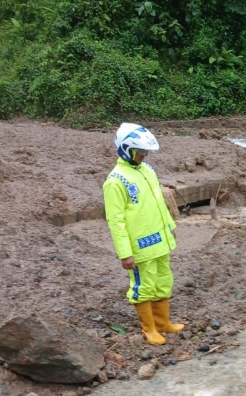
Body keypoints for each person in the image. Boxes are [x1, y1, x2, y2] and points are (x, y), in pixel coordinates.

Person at [103, 123, 183, 345]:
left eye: (145, 152)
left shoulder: (148, 171)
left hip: (159, 240)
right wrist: (124, 253)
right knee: (143, 286)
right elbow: (115, 221)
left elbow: (160, 203)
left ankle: (163, 322)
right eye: (140, 152)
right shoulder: (115, 181)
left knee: (163, 280)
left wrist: (170, 227)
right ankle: (149, 329)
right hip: (140, 247)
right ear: (126, 150)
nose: (143, 156)